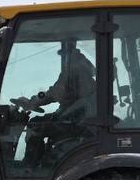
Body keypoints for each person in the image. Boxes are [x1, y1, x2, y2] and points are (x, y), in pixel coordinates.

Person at [10, 39, 96, 169]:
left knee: (35, 125)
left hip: (76, 120)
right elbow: (57, 91)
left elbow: (56, 92)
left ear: (68, 52)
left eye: (63, 53)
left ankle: (30, 165)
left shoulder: (75, 67)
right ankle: (37, 162)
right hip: (77, 116)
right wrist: (36, 100)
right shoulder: (79, 65)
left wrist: (33, 101)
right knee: (40, 122)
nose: (62, 57)